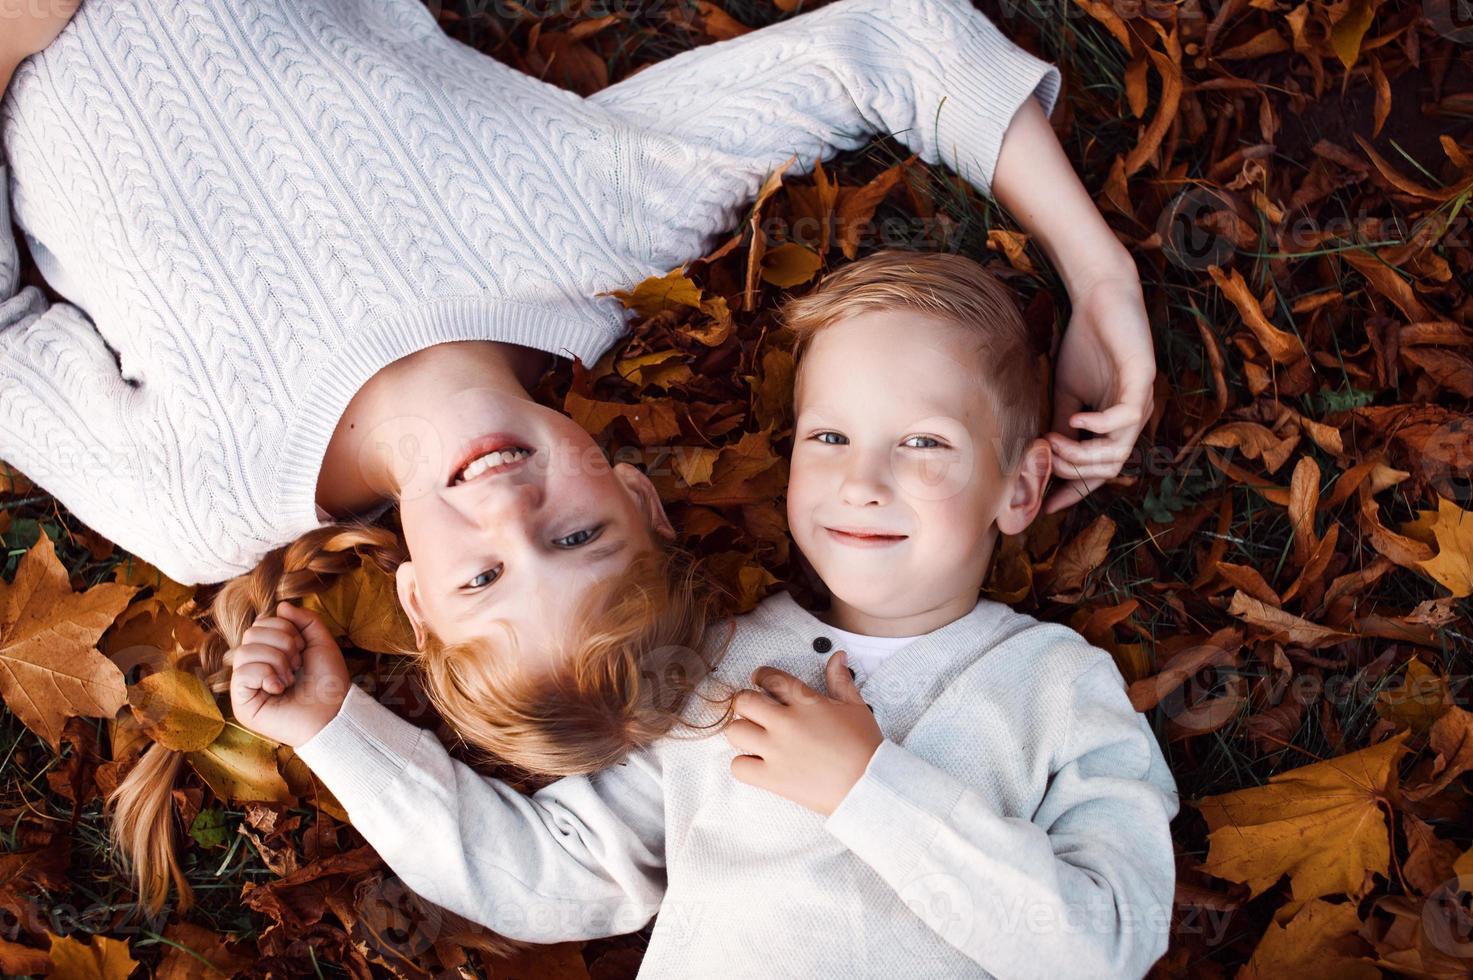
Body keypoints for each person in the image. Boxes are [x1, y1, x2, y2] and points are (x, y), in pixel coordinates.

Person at [0, 0, 1154, 911]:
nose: (506, 508)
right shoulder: (606, 236)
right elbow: (885, 44)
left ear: (410, 599)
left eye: (481, 577)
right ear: (640, 496)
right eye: (574, 535)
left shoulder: (202, 496)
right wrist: (1098, 274)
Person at [234, 249, 1179, 979]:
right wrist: (337, 733)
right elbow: (552, 874)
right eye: (831, 437)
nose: (863, 480)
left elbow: (1104, 947)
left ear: (1020, 490)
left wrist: (869, 790)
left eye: (923, 441)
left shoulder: (1058, 686)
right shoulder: (714, 677)